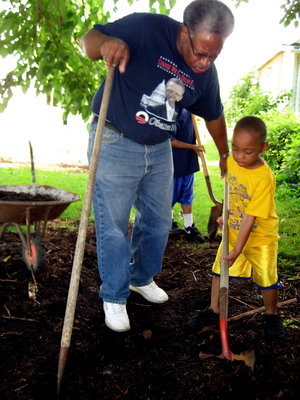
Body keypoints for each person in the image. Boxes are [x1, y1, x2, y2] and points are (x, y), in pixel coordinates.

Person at [81, 0, 234, 332]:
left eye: (214, 56)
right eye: (200, 53)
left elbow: (214, 114)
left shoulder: (206, 74)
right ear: (184, 33)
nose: (205, 62)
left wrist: (225, 154)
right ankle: (115, 295)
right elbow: (89, 41)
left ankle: (140, 277)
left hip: (159, 146)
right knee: (114, 224)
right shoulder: (146, 28)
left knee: (161, 220)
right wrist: (108, 44)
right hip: (115, 136)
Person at [187, 116, 285, 339]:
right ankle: (214, 310)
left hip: (261, 238)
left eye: (248, 151)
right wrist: (225, 215)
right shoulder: (231, 162)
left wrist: (237, 250)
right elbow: (231, 193)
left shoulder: (264, 178)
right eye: (235, 149)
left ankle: (271, 315)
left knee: (267, 280)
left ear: (263, 148)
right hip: (234, 231)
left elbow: (250, 218)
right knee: (218, 270)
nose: (240, 156)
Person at [169, 109, 206, 243]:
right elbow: (171, 141)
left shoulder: (191, 110)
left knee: (187, 196)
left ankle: (189, 227)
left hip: (188, 161)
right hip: (175, 162)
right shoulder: (174, 111)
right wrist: (193, 147)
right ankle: (169, 224)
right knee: (170, 196)